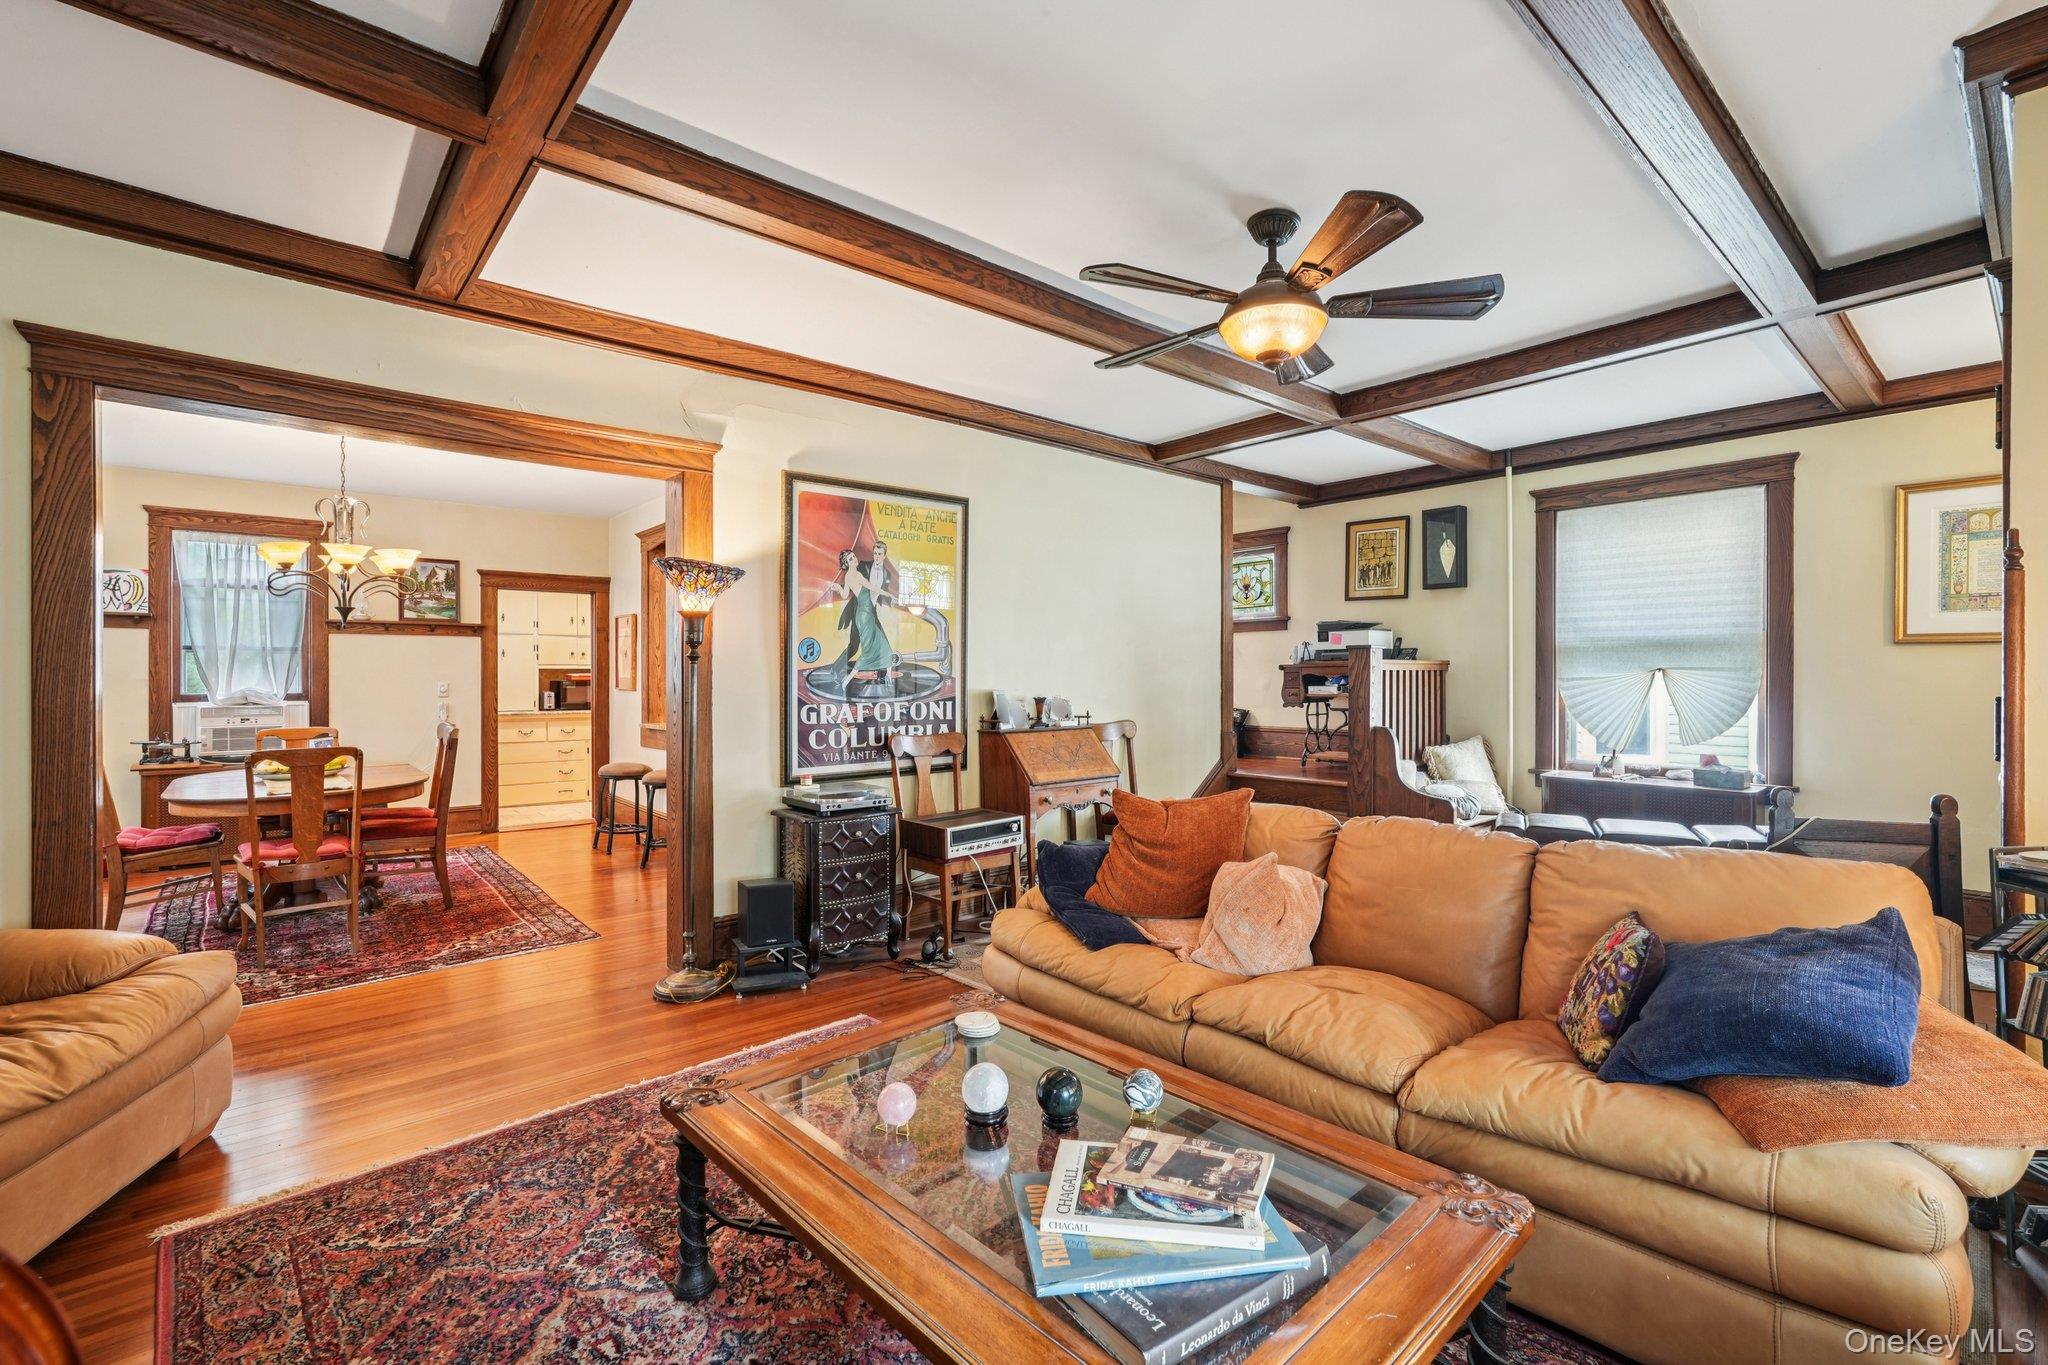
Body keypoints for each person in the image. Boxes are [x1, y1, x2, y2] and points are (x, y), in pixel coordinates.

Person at [818, 549, 897, 686]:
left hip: (865, 613)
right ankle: (844, 678)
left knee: (881, 643)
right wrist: (889, 595)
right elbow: (872, 587)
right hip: (864, 614)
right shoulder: (857, 574)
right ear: (847, 563)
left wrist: (838, 588)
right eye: (850, 559)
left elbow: (844, 595)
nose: (854, 559)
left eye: (854, 556)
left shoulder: (849, 576)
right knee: (865, 648)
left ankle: (887, 676)